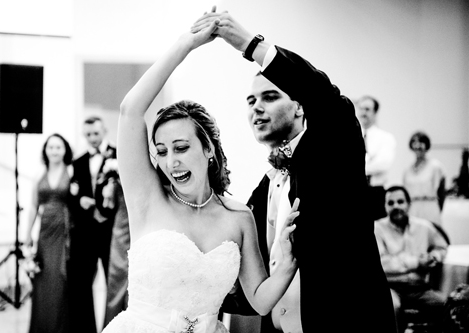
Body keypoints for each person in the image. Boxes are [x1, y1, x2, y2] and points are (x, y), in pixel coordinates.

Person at [192, 9, 397, 333]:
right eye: (250, 100)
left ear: (301, 105)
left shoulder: (333, 148)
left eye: (270, 97)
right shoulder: (265, 185)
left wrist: (249, 44)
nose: (256, 107)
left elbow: (327, 99)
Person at [102, 12, 300, 333]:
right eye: (162, 151)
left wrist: (289, 260)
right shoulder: (147, 198)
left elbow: (260, 301)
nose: (171, 162)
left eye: (181, 148)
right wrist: (187, 44)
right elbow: (130, 110)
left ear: (208, 149)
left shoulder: (238, 217)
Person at [375, 185, 448, 332]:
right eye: (390, 203)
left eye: (400, 201)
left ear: (409, 204)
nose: (396, 206)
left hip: (419, 288)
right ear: (385, 206)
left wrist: (434, 257)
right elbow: (382, 263)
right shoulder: (377, 228)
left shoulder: (424, 226)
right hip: (391, 288)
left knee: (447, 304)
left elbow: (441, 246)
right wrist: (417, 263)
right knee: (391, 307)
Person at [69, 116, 117, 333]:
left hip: (112, 230)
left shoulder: (118, 156)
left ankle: (114, 327)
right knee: (82, 285)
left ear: (104, 130)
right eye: (88, 134)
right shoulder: (78, 162)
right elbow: (71, 196)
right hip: (86, 232)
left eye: (96, 133)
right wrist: (80, 201)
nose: (92, 138)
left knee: (113, 281)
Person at [24, 133, 74, 333]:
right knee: (43, 280)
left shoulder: (71, 171)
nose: (54, 151)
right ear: (45, 150)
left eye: (58, 147)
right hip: (45, 233)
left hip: (65, 232)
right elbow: (33, 206)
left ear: (65, 150)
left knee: (61, 280)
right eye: (51, 147)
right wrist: (27, 235)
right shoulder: (39, 174)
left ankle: (61, 327)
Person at [95, 163, 131, 327]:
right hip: (122, 227)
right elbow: (107, 206)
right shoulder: (115, 167)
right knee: (117, 276)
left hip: (145, 225)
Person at [356, 95, 396, 220]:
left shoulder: (385, 138)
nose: (363, 113)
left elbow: (384, 164)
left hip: (376, 193)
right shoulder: (350, 138)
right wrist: (370, 161)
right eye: (361, 109)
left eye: (367, 109)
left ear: (375, 112)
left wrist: (357, 167)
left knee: (376, 230)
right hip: (355, 191)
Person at [403, 131, 446, 225]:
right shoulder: (407, 170)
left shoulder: (435, 166)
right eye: (414, 142)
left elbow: (441, 192)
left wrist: (438, 210)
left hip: (430, 207)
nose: (417, 146)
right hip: (413, 209)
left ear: (427, 145)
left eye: (421, 142)